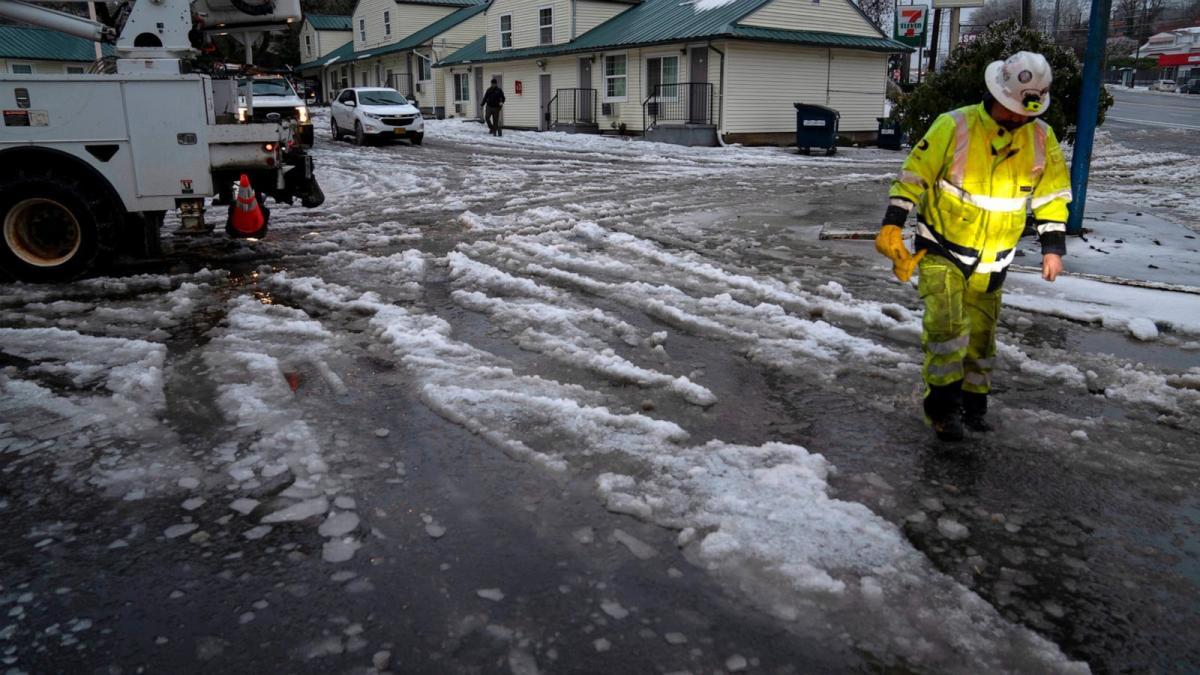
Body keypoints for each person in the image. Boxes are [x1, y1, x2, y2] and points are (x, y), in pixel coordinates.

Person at [874, 51, 1073, 442]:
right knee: (947, 328)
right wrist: (892, 225)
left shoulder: (1041, 137)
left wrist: (1053, 247)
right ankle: (943, 410)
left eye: (1027, 110)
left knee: (982, 335)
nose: (1020, 117)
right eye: (1014, 108)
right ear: (996, 93)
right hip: (942, 247)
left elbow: (1051, 196)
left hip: (995, 258)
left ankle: (974, 405)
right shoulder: (954, 125)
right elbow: (913, 177)